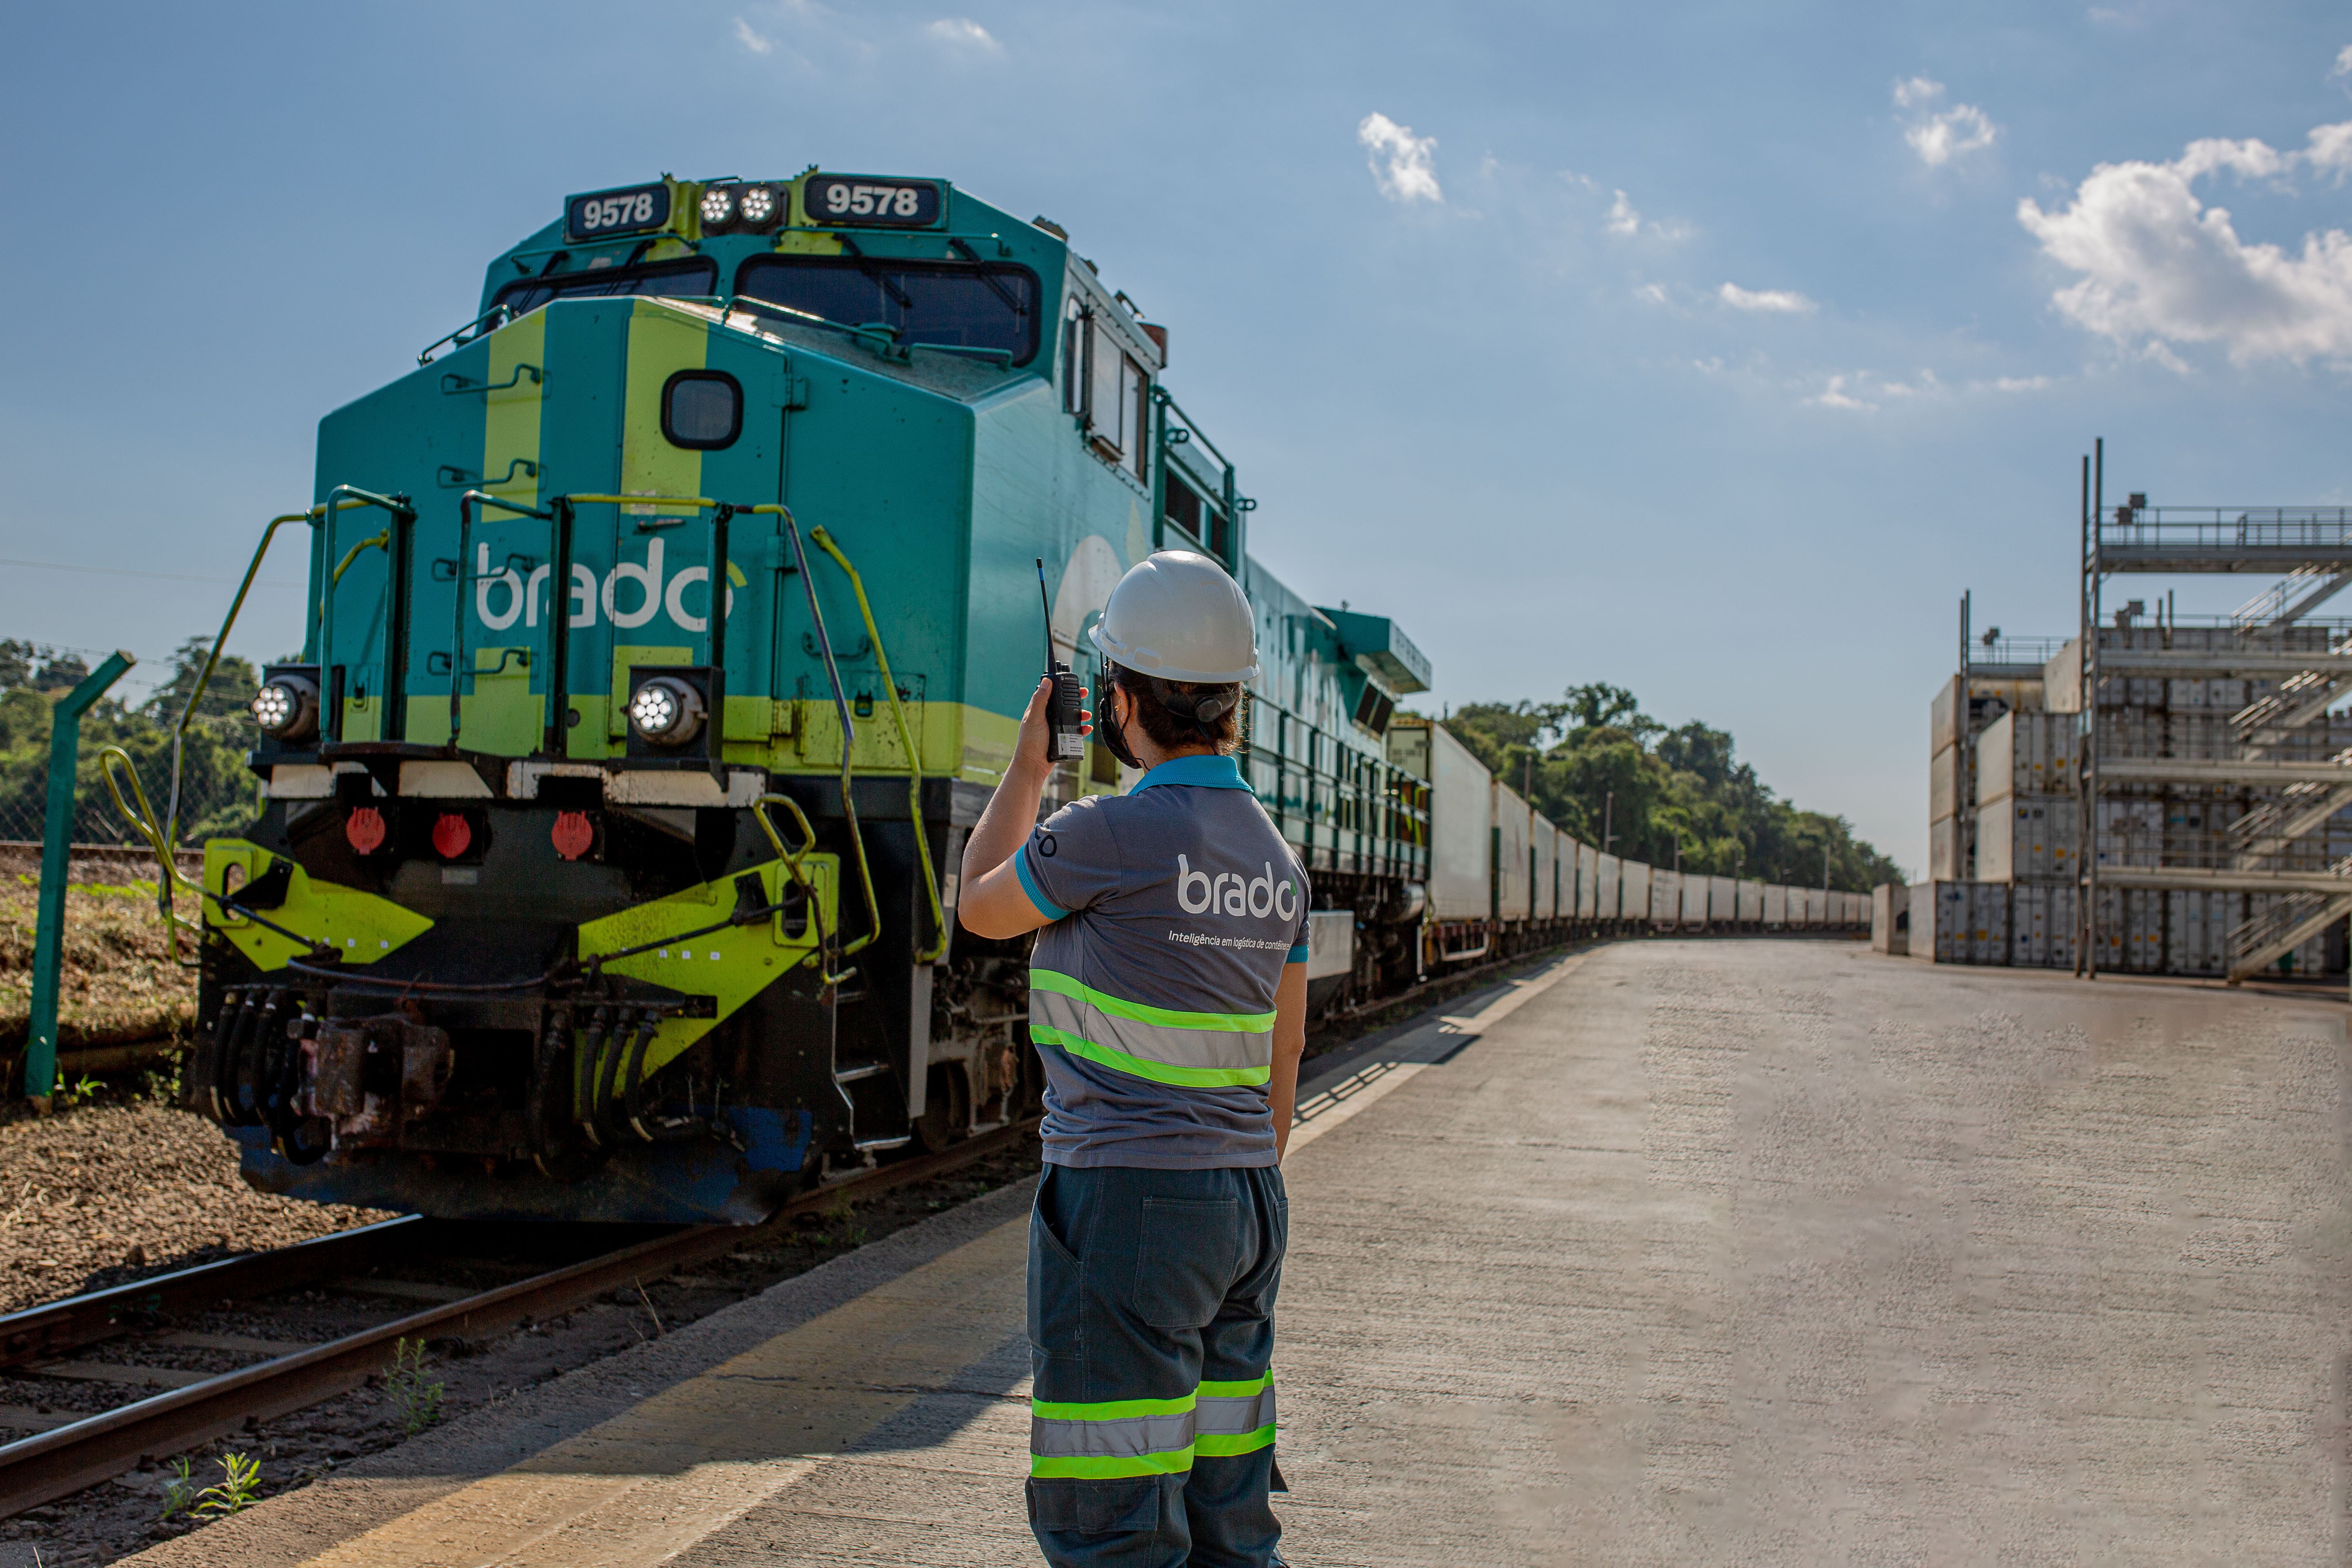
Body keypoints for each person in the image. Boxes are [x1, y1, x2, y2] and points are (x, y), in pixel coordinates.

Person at [959, 549, 1310, 1568]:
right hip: (1246, 1201)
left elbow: (981, 907)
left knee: (1110, 1516)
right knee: (1227, 1508)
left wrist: (1030, 770)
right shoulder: (1274, 860)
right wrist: (1238, 1174)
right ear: (1231, 701)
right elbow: (1284, 1054)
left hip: (1128, 1203)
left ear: (1118, 700)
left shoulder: (1109, 833)